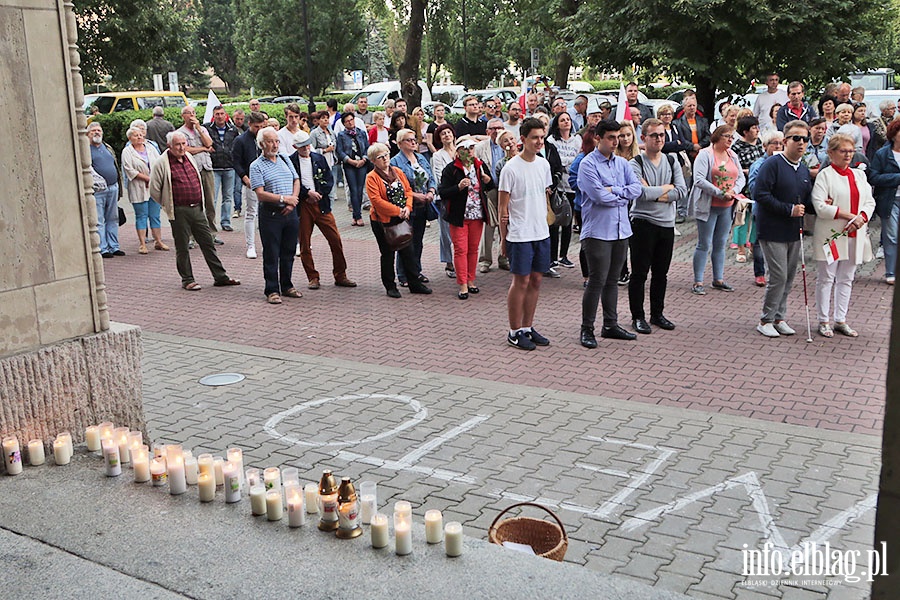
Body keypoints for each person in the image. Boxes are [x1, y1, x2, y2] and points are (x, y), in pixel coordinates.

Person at [577, 119, 643, 346]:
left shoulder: (623, 164)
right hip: (598, 232)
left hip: (621, 230)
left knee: (613, 280)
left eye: (619, 137)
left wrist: (614, 190)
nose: (616, 142)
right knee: (597, 280)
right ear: (599, 138)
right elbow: (598, 196)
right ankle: (587, 328)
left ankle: (610, 324)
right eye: (611, 138)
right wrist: (620, 195)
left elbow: (636, 189)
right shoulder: (588, 164)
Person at [149, 132, 240, 291]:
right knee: (182, 246)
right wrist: (168, 204)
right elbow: (154, 190)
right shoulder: (161, 163)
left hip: (197, 208)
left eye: (184, 143)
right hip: (179, 211)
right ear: (169, 145)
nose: (182, 147)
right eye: (178, 144)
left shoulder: (189, 157)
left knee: (208, 243)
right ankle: (187, 279)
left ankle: (220, 276)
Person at [811, 133, 875, 337]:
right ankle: (823, 320)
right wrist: (848, 215)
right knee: (827, 277)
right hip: (832, 232)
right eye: (843, 151)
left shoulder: (859, 175)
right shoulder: (825, 175)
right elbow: (820, 205)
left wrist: (861, 218)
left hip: (856, 232)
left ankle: (841, 318)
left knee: (847, 277)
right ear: (831, 153)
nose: (848, 155)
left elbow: (870, 201)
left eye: (851, 151)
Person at [753, 120, 813, 337]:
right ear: (786, 140)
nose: (801, 143)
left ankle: (779, 317)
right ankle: (766, 319)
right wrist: (789, 209)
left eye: (805, 139)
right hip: (772, 229)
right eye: (796, 138)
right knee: (778, 276)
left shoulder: (803, 169)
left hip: (793, 231)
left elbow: (807, 199)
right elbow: (760, 194)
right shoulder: (773, 164)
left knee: (789, 276)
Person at [498, 118, 553, 351]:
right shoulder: (510, 169)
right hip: (519, 234)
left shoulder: (544, 165)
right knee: (521, 281)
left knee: (537, 280)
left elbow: (545, 197)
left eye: (542, 137)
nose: (539, 142)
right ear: (523, 139)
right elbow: (503, 208)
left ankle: (527, 327)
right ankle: (514, 331)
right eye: (534, 137)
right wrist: (503, 239)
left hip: (541, 231)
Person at [628, 118, 687, 333]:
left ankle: (657, 313)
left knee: (661, 273)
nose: (659, 139)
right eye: (654, 135)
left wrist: (655, 192)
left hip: (666, 225)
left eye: (662, 135)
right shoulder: (635, 163)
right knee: (639, 273)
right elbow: (639, 193)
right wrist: (666, 189)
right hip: (643, 224)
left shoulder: (672, 160)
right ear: (643, 138)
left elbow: (681, 191)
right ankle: (638, 316)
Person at [287, 131, 356, 290]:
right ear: (295, 147)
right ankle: (312, 277)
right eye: (302, 146)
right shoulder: (291, 161)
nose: (306, 148)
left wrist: (319, 193)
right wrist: (306, 194)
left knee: (335, 239)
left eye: (307, 144)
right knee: (305, 243)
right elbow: (291, 181)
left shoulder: (319, 158)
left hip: (321, 204)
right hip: (303, 205)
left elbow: (329, 179)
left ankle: (340, 274)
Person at [365, 142, 433, 298]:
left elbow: (408, 190)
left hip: (402, 217)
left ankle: (414, 283)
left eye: (386, 155)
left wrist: (407, 208)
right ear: (373, 161)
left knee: (408, 251)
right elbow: (376, 201)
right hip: (382, 220)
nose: (385, 159)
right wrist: (397, 211)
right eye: (380, 157)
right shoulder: (372, 177)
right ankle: (390, 286)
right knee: (388, 254)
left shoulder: (397, 171)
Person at [688, 125, 746, 295]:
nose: (730, 140)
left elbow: (741, 177)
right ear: (717, 137)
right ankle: (698, 281)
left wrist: (734, 192)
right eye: (727, 136)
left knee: (720, 243)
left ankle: (718, 279)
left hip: (727, 206)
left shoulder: (732, 155)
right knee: (704, 243)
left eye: (732, 137)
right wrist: (719, 192)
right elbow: (698, 179)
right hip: (709, 205)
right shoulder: (705, 154)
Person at [250, 127, 302, 304]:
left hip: (290, 212)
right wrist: (283, 199)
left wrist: (293, 199)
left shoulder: (285, 159)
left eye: (277, 141)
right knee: (271, 252)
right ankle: (272, 289)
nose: (275, 145)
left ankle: (287, 285)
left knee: (288, 251)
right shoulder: (256, 166)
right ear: (262, 144)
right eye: (271, 142)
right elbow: (260, 193)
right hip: (271, 214)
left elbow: (296, 180)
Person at [439, 136, 493, 299]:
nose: (469, 151)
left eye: (471, 148)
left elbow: (491, 186)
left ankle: (471, 280)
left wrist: (488, 181)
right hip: (459, 216)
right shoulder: (451, 169)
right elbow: (442, 191)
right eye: (465, 148)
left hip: (477, 214)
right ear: (458, 151)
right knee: (461, 249)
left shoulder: (480, 166)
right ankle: (462, 283)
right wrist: (458, 187)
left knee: (473, 248)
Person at [391, 128, 437, 288]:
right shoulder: (395, 162)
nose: (413, 142)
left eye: (414, 140)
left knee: (418, 240)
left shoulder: (421, 158)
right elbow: (397, 187)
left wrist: (431, 191)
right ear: (400, 143)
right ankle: (404, 274)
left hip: (423, 205)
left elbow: (431, 177)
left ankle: (416, 270)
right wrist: (414, 195)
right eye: (409, 140)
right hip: (407, 207)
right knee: (405, 240)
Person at [176, 106, 220, 243]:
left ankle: (212, 233)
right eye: (189, 113)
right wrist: (203, 149)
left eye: (193, 113)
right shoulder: (180, 133)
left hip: (206, 168)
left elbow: (209, 142)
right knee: (193, 203)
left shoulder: (203, 129)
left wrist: (199, 129)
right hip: (192, 170)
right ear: (183, 116)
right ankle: (191, 236)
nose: (192, 115)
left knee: (210, 202)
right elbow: (186, 150)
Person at [746, 130, 784, 287]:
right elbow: (753, 188)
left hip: (780, 210)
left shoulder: (785, 163)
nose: (778, 146)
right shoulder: (759, 164)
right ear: (765, 146)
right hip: (762, 209)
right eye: (774, 143)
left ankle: (776, 273)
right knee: (759, 242)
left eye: (781, 143)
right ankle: (759, 273)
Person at [547, 112, 582, 268]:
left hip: (572, 186)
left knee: (568, 221)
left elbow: (578, 159)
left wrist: (568, 162)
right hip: (558, 186)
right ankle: (552, 256)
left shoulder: (577, 140)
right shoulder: (551, 140)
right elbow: (556, 161)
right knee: (555, 222)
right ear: (557, 123)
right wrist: (570, 161)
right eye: (562, 120)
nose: (566, 122)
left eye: (568, 119)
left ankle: (564, 255)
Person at [121, 126, 163, 255]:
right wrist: (146, 178)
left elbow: (160, 163)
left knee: (155, 215)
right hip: (138, 187)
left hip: (153, 187)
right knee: (141, 215)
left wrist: (154, 179)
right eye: (135, 135)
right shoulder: (127, 151)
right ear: (130, 138)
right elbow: (129, 169)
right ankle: (142, 244)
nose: (139, 137)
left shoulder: (150, 148)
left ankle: (158, 241)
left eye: (141, 135)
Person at [869, 119, 900, 285]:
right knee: (892, 236)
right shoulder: (883, 154)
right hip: (890, 200)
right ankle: (890, 272)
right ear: (894, 135)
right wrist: (897, 178)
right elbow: (874, 177)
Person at [475, 119, 508, 273]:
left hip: (507, 192)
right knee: (489, 226)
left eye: (499, 128)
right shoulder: (480, 147)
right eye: (492, 128)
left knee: (506, 223)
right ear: (487, 131)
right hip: (489, 191)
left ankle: (504, 257)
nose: (496, 131)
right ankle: (485, 260)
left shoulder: (508, 146)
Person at [730, 116, 764, 263]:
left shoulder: (760, 144)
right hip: (743, 187)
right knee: (741, 218)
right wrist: (748, 171)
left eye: (757, 127)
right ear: (745, 131)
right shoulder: (736, 147)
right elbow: (733, 169)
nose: (757, 130)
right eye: (753, 128)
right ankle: (740, 248)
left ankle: (753, 246)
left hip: (757, 186)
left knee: (757, 217)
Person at [87, 122, 124, 258]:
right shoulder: (85, 149)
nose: (97, 133)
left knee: (113, 218)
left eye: (99, 130)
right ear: (88, 134)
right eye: (93, 131)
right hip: (97, 190)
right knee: (99, 219)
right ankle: (102, 248)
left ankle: (114, 246)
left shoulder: (107, 147)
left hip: (113, 187)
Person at [232, 111, 266, 258]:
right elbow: (236, 162)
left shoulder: (264, 138)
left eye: (262, 127)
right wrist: (245, 179)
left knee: (266, 213)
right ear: (250, 124)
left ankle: (268, 244)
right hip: (250, 181)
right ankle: (250, 245)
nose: (259, 130)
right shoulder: (241, 140)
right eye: (256, 127)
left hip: (266, 180)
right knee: (251, 213)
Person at [203, 105, 240, 232]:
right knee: (212, 197)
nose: (219, 116)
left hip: (229, 167)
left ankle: (226, 221)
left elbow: (237, 145)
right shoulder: (207, 128)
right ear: (213, 116)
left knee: (228, 196)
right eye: (217, 114)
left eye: (221, 114)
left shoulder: (232, 129)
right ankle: (211, 223)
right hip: (214, 167)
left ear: (226, 115)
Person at [431, 123, 459, 278]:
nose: (447, 135)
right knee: (445, 231)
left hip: (462, 196)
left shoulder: (461, 151)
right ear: (439, 138)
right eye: (443, 134)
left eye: (449, 132)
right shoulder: (437, 155)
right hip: (446, 196)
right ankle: (449, 261)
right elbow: (440, 175)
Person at [657, 104, 691, 224]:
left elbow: (682, 143)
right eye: (664, 114)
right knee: (667, 185)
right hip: (664, 160)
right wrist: (674, 144)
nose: (667, 116)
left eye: (669, 114)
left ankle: (682, 212)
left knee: (682, 185)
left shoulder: (676, 127)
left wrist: (674, 144)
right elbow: (661, 146)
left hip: (678, 159)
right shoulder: (659, 130)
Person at [336, 111, 370, 227]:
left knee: (360, 189)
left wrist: (364, 159)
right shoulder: (341, 135)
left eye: (351, 120)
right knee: (353, 190)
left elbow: (366, 147)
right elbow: (339, 151)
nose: (350, 123)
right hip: (349, 164)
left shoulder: (361, 133)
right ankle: (357, 215)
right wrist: (350, 161)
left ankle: (357, 215)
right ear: (344, 124)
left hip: (362, 164)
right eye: (347, 121)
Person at [310, 111, 338, 204]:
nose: (325, 120)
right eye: (323, 118)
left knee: (332, 189)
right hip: (322, 164)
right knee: (324, 189)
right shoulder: (314, 133)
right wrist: (325, 150)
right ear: (318, 120)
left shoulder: (332, 133)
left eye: (327, 118)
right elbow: (312, 150)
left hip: (332, 162)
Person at [675, 95, 710, 163]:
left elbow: (708, 136)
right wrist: (692, 147)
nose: (692, 108)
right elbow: (679, 139)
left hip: (702, 154)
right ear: (684, 108)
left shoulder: (703, 121)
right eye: (689, 106)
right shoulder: (677, 123)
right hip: (686, 156)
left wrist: (699, 146)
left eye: (694, 105)